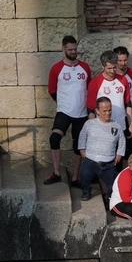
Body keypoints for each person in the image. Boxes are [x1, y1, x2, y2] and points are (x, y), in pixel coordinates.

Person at [44, 35, 91, 186]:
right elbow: (52, 90)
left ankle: (75, 177)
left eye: (75, 49)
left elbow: (90, 89)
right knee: (54, 139)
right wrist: (64, 102)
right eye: (70, 49)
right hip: (64, 111)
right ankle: (57, 173)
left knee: (78, 145)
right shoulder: (56, 68)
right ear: (63, 49)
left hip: (82, 113)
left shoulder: (84, 67)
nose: (73, 52)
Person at [78, 97, 126, 203]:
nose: (108, 113)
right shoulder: (89, 124)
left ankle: (109, 198)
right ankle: (86, 191)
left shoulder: (116, 126)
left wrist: (119, 154)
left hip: (108, 163)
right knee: (84, 175)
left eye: (109, 110)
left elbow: (122, 141)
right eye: (104, 111)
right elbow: (82, 137)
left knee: (112, 185)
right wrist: (82, 149)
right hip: (90, 160)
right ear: (97, 111)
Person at [86, 51, 132, 138]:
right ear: (102, 66)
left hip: (121, 126)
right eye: (109, 68)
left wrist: (130, 126)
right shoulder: (95, 83)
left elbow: (128, 104)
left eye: (114, 68)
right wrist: (92, 129)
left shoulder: (123, 80)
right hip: (102, 129)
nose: (112, 71)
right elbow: (90, 109)